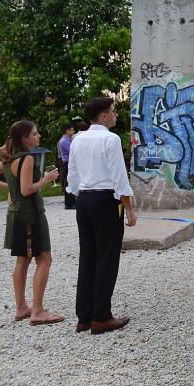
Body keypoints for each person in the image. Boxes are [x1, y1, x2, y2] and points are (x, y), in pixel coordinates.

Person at [0, 120, 63, 325]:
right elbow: (26, 190)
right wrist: (46, 179)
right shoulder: (26, 159)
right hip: (30, 215)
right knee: (45, 259)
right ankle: (38, 311)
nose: (39, 135)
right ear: (25, 138)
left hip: (15, 215)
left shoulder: (9, 159)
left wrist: (10, 189)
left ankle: (21, 307)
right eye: (35, 133)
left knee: (22, 261)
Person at [67, 96, 137, 335]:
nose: (116, 114)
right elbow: (119, 176)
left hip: (84, 199)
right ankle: (101, 316)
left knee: (88, 255)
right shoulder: (110, 138)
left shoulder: (77, 139)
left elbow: (73, 175)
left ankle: (84, 316)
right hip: (106, 199)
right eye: (113, 110)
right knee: (107, 256)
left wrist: (80, 196)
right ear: (104, 115)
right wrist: (128, 207)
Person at [57, 123, 77, 209]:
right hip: (66, 163)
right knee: (68, 182)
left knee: (71, 181)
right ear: (67, 131)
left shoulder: (68, 139)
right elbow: (73, 150)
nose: (73, 131)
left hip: (70, 162)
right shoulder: (64, 141)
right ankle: (69, 203)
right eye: (72, 130)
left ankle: (72, 201)